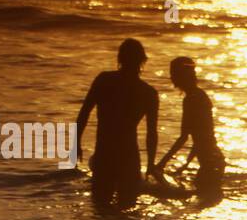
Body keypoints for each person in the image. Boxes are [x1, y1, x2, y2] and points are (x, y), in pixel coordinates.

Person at [75, 38, 158, 210]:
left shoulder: (104, 80)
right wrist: (151, 164)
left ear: (120, 59)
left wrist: (76, 144)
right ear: (143, 61)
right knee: (128, 211)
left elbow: (84, 112)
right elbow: (151, 134)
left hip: (105, 152)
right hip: (129, 156)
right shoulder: (148, 93)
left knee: (100, 208)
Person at [153, 55, 225, 204]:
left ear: (180, 76)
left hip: (210, 163)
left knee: (202, 201)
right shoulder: (200, 95)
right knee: (206, 199)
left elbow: (184, 137)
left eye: (173, 74)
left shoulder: (191, 99)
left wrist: (161, 164)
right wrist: (184, 166)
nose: (171, 78)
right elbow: (202, 136)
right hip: (214, 160)